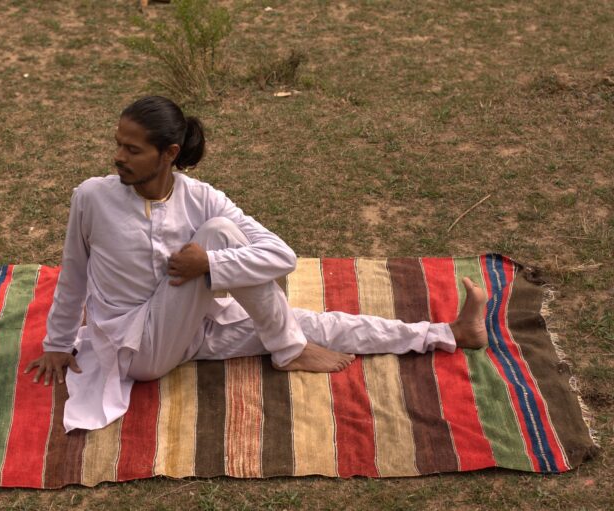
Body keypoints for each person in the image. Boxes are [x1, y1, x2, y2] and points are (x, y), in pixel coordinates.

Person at [25, 96, 488, 432]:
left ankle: (448, 333)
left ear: (168, 154)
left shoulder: (201, 197)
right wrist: (57, 343)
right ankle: (288, 350)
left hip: (193, 329)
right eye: (118, 145)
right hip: (136, 346)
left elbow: (280, 256)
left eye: (132, 149)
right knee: (225, 239)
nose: (118, 157)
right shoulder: (92, 197)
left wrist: (210, 263)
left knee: (312, 323)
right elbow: (73, 273)